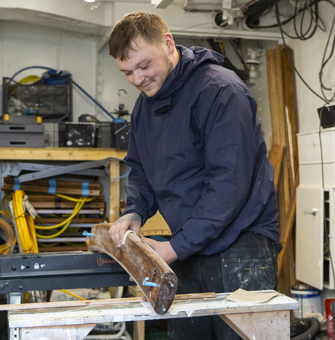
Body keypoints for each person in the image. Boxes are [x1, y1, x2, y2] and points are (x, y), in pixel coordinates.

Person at [107, 11, 281, 340]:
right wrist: (135, 210)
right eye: (127, 72)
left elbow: (228, 185)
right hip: (188, 245)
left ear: (168, 44)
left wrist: (175, 247)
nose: (138, 79)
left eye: (144, 66)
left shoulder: (219, 91)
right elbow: (142, 167)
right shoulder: (145, 105)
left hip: (240, 246)